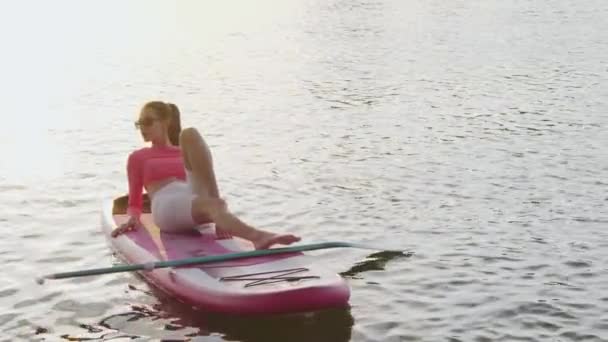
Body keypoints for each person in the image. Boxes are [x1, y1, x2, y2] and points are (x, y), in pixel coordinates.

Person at [111, 101, 301, 249]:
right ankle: (258, 237)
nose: (142, 127)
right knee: (213, 205)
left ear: (165, 122)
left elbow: (205, 177)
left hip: (191, 195)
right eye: (139, 123)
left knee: (190, 134)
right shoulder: (138, 157)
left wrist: (217, 209)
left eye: (147, 122)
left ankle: (219, 213)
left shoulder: (182, 150)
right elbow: (135, 201)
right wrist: (133, 220)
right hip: (165, 204)